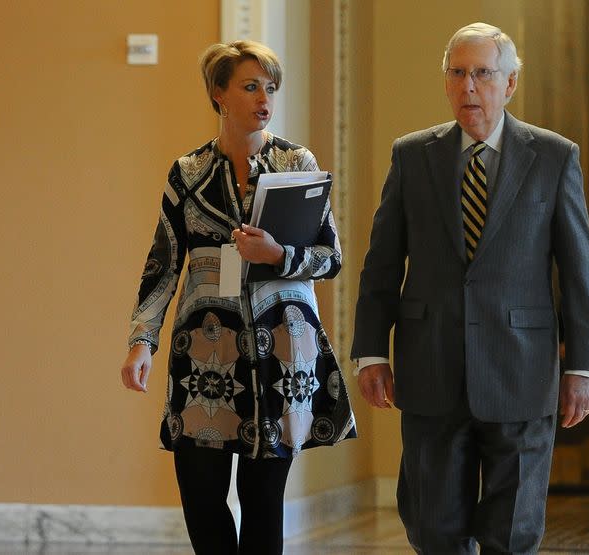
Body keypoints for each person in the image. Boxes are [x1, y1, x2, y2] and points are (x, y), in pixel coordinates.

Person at [351, 22, 589, 554]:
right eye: (458, 73)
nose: (469, 86)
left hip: (522, 369)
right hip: (431, 368)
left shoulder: (555, 157)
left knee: (512, 531)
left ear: (510, 83)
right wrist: (371, 352)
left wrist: (584, 365)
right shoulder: (412, 156)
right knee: (431, 526)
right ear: (446, 82)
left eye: (483, 74)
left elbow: (578, 269)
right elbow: (381, 265)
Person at [120, 40, 356, 555]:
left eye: (270, 88)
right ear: (218, 93)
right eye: (250, 86)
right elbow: (162, 263)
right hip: (204, 356)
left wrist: (278, 255)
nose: (264, 99)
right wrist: (143, 340)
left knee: (263, 500)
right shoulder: (186, 172)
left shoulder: (296, 161)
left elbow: (331, 257)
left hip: (281, 355)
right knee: (202, 496)